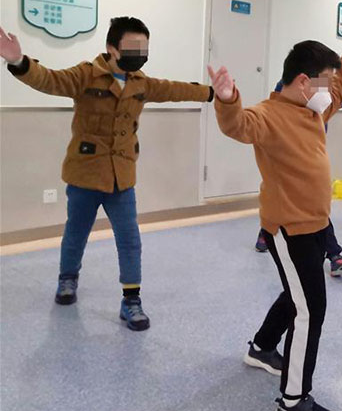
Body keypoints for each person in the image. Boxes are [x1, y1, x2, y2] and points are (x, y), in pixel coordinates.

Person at [0, 19, 214, 331]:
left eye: (144, 50)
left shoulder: (141, 82)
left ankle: (131, 301)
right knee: (76, 233)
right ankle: (67, 279)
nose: (139, 56)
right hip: (85, 174)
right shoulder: (86, 74)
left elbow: (174, 89)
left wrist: (212, 93)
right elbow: (49, 80)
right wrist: (19, 61)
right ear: (111, 48)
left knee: (130, 240)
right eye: (132, 49)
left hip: (121, 178)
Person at [209, 28, 342, 411]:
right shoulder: (269, 115)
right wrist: (227, 98)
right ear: (303, 81)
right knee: (310, 309)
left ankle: (262, 347)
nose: (330, 92)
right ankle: (293, 403)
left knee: (296, 292)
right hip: (289, 228)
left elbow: (338, 93)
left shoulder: (312, 110)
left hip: (316, 223)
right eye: (324, 82)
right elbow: (238, 125)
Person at [255, 62, 342, 278]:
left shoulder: (321, 94)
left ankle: (333, 255)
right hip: (285, 162)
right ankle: (271, 233)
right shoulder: (286, 92)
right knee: (283, 201)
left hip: (310, 163)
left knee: (313, 208)